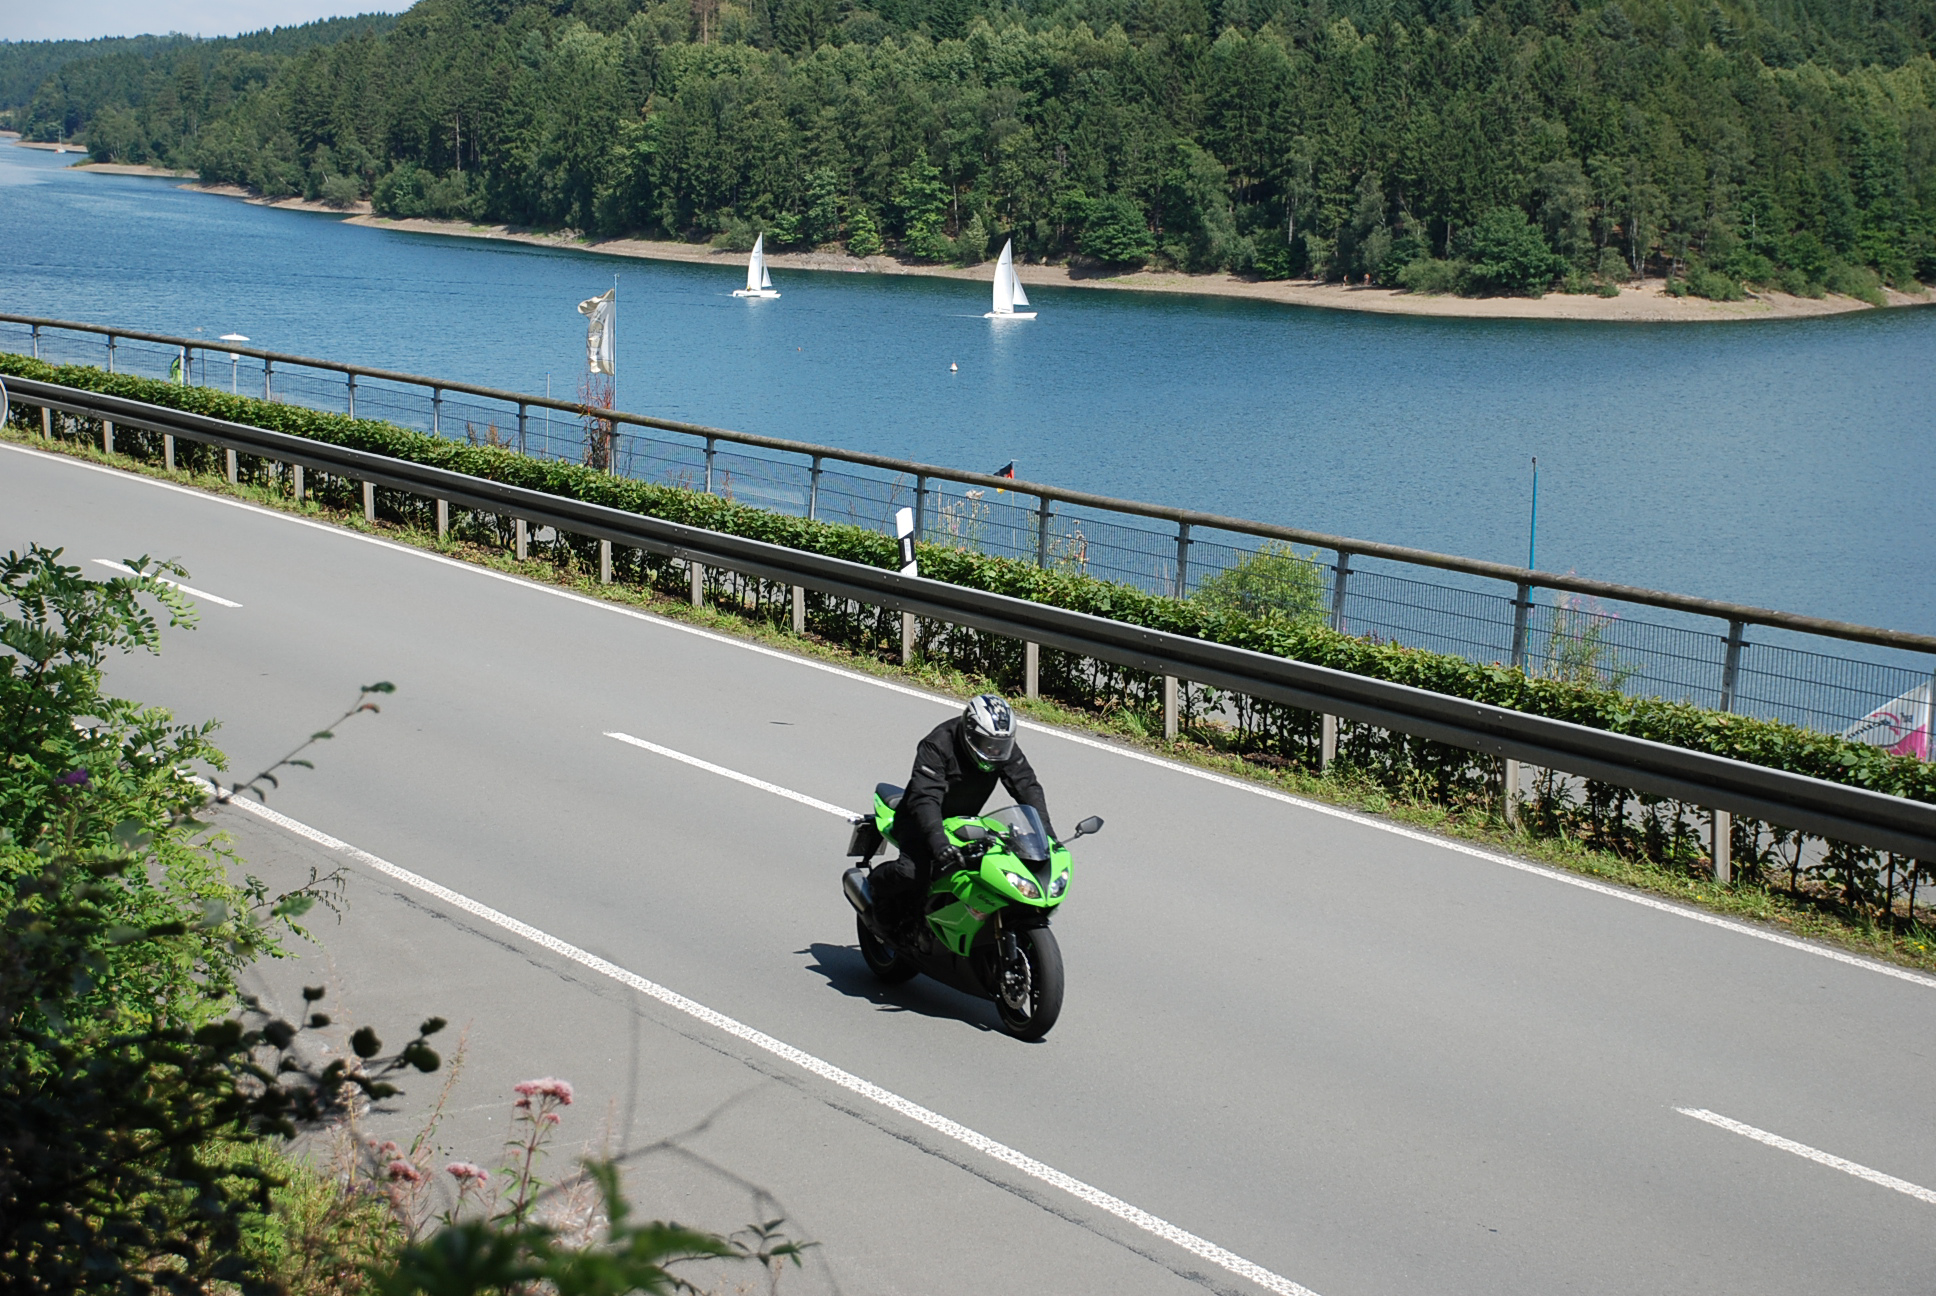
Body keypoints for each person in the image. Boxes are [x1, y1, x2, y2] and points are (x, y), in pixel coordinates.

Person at [869, 694, 1054, 931]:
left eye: (1000, 746)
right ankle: (876, 886)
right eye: (987, 744)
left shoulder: (1000, 744)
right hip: (919, 820)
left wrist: (1047, 834)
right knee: (914, 872)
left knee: (995, 869)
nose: (994, 751)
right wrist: (938, 842)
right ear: (969, 732)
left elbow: (1026, 785)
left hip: (963, 821)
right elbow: (925, 798)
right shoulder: (937, 745)